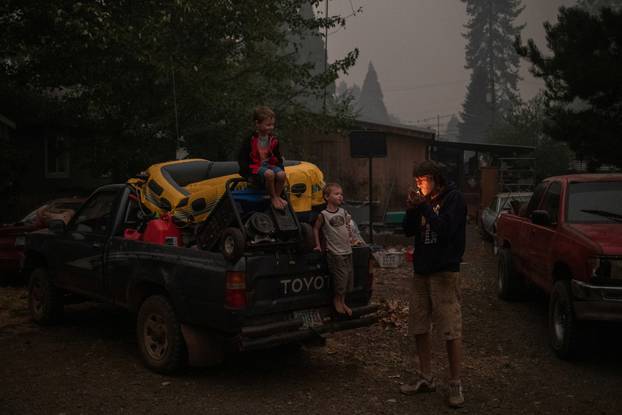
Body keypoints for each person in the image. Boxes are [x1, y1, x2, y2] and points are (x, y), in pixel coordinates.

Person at [400, 160, 467, 408]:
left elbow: (445, 230)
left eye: (423, 180)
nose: (419, 184)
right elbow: (408, 231)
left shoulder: (454, 199)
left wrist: (425, 206)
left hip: (445, 272)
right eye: (416, 181)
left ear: (436, 178)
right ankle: (426, 377)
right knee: (419, 325)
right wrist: (411, 209)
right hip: (422, 271)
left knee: (450, 328)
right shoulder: (422, 201)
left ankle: (455, 383)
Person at [313, 183, 355, 316]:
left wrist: (351, 237)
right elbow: (316, 228)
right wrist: (318, 245)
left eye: (341, 194)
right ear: (326, 197)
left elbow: (347, 226)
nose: (340, 196)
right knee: (340, 279)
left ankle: (343, 302)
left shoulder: (343, 212)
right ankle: (337, 301)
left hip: (347, 250)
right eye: (336, 194)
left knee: (348, 278)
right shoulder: (323, 215)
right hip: (335, 252)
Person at [238, 106, 287, 209]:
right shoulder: (250, 139)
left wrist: (280, 163)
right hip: (254, 166)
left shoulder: (273, 139)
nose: (271, 127)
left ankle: (277, 197)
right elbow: (242, 158)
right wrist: (247, 174)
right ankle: (273, 198)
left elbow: (276, 155)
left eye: (272, 125)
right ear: (257, 123)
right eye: (268, 125)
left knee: (282, 175)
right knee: (269, 174)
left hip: (268, 164)